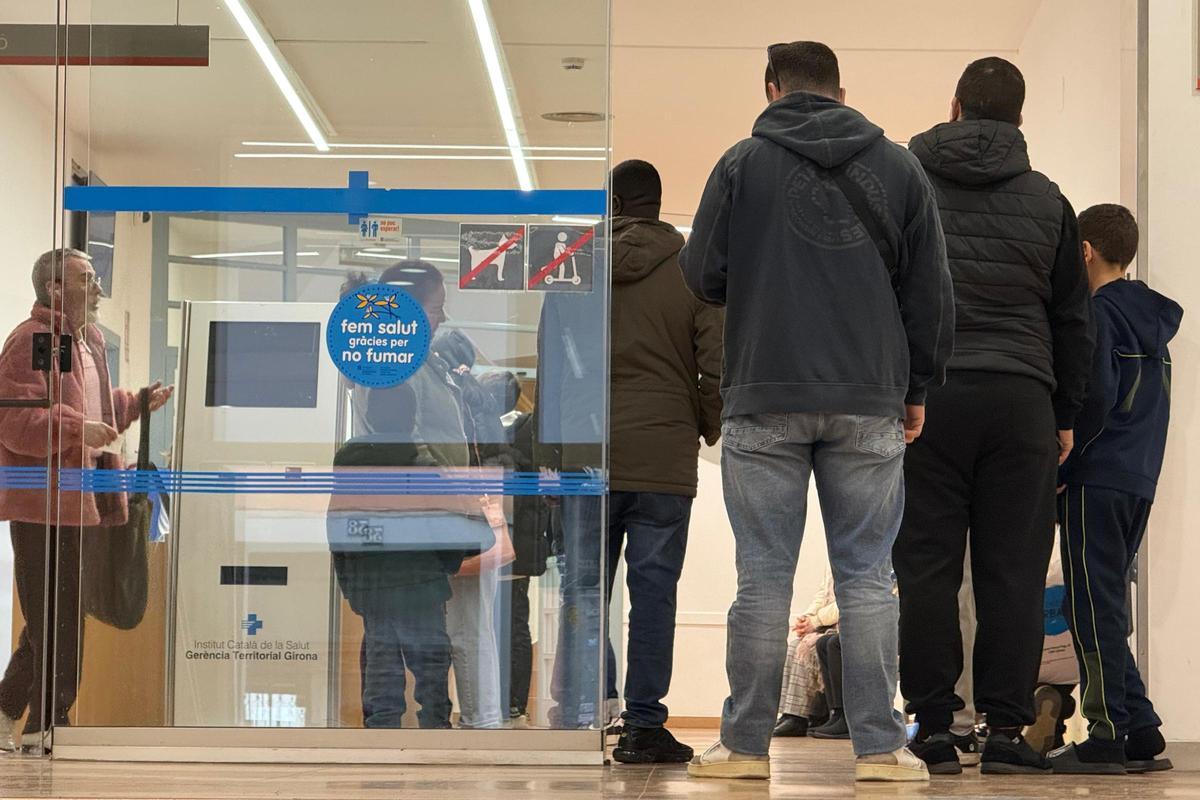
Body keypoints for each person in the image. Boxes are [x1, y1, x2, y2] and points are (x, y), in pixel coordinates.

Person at [680, 41, 953, 783]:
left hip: (765, 393)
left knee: (762, 578)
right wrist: (917, 390)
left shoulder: (741, 162)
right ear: (842, 91)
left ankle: (741, 748)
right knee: (866, 577)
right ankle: (880, 751)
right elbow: (930, 294)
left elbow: (702, 274)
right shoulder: (899, 167)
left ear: (772, 89)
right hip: (869, 398)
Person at [895, 57, 1094, 776]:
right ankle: (1008, 731)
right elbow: (1074, 320)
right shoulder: (1049, 201)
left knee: (925, 566)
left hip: (931, 397)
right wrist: (1064, 412)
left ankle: (935, 725)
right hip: (1021, 401)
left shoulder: (907, 186)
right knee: (1011, 570)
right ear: (1019, 117)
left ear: (954, 108)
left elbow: (889, 293)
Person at [0, 248, 172, 751]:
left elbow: (95, 410)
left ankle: (18, 710)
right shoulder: (33, 342)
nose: (98, 288)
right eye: (88, 278)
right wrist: (79, 430)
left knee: (57, 616)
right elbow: (16, 422)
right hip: (42, 502)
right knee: (57, 617)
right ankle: (48, 724)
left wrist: (135, 403)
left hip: (84, 499)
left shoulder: (89, 341)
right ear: (55, 289)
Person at [1048, 204, 1181, 775]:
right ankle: (1141, 727)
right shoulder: (1151, 321)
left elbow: (1093, 399)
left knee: (1089, 604)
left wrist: (1063, 462)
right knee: (1105, 601)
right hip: (1138, 478)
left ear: (1083, 252)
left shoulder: (1097, 315)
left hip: (1095, 477)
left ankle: (1104, 734)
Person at [602, 159, 724, 764]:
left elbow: (557, 355)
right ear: (656, 202)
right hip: (663, 459)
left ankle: (585, 714)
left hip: (592, 458)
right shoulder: (691, 267)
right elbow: (716, 358)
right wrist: (704, 424)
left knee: (582, 591)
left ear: (612, 204)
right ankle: (643, 725)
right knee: (654, 594)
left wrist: (555, 447)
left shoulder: (582, 268)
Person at [773, 570, 837, 738]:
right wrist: (807, 618)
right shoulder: (832, 562)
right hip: (827, 623)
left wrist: (815, 622)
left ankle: (798, 717)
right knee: (794, 646)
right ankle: (791, 714)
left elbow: (847, 601)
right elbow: (822, 595)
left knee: (808, 649)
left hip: (846, 625)